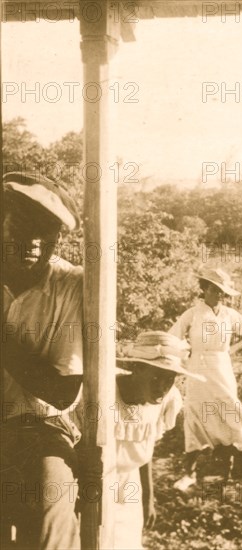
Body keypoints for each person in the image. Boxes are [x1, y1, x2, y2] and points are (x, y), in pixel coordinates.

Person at [1, 171, 83, 549]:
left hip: (41, 426)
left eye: (47, 228)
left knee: (54, 501)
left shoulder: (71, 286)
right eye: (22, 222)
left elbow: (62, 392)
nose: (33, 239)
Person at [101, 331, 205, 550]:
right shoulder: (104, 392)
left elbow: (146, 449)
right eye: (156, 377)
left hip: (130, 486)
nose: (162, 387)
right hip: (96, 483)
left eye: (169, 380)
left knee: (126, 543)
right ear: (137, 369)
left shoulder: (168, 399)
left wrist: (148, 497)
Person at [170, 268, 242, 491]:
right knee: (195, 415)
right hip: (197, 369)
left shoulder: (229, 315)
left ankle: (226, 474)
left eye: (222, 293)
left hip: (222, 368)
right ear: (204, 289)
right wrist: (186, 353)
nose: (219, 296)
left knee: (227, 414)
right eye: (214, 290)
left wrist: (230, 350)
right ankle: (189, 474)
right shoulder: (192, 314)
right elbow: (174, 337)